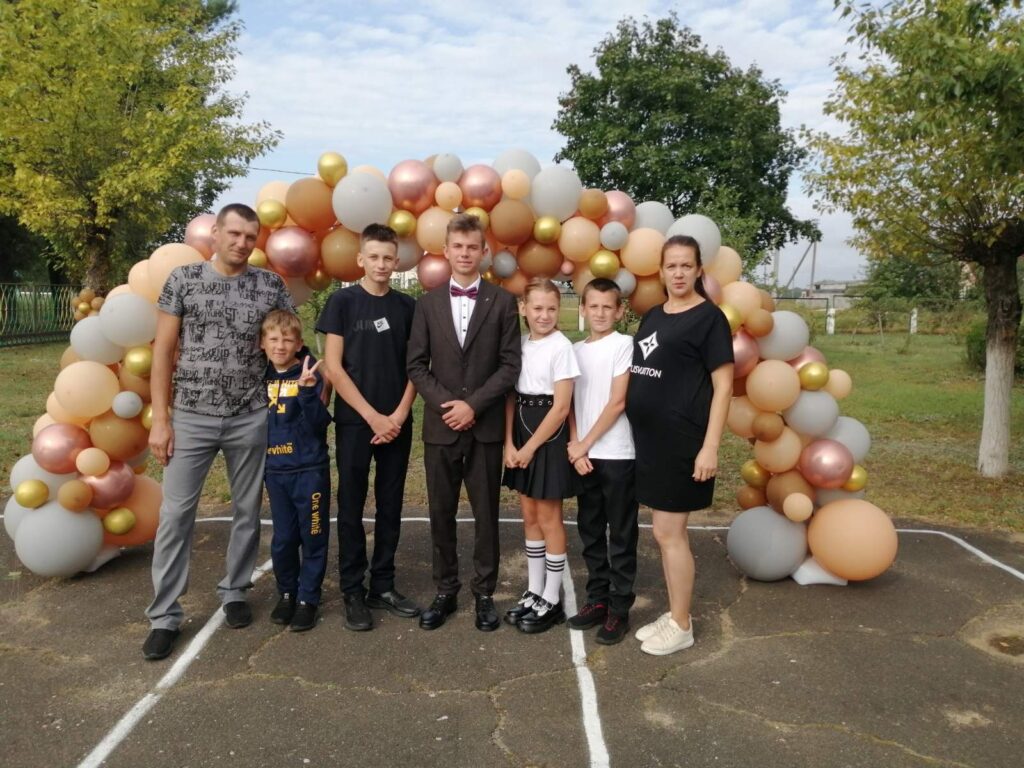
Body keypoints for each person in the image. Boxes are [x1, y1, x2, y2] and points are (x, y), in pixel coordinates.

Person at [143, 203, 294, 661]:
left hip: (250, 415)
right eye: (234, 234)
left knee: (246, 510)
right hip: (191, 416)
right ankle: (165, 615)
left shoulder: (270, 285)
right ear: (215, 233)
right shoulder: (184, 280)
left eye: (250, 236)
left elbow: (288, 341)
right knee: (176, 516)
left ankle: (235, 591)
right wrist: (161, 419)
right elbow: (163, 351)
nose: (242, 243)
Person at [406, 213, 521, 632]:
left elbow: (510, 366)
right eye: (458, 246)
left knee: (486, 515)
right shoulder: (427, 304)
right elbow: (416, 365)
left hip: (485, 427)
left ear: (484, 251)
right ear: (446, 250)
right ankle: (445, 589)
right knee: (441, 512)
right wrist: (448, 406)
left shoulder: (503, 302)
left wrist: (473, 406)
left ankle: (484, 593)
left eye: (473, 247)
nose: (465, 253)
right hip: (441, 429)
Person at [625, 234, 734, 656]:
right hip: (649, 442)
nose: (678, 273)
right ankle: (674, 614)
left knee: (670, 533)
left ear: (699, 270)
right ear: (661, 271)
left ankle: (683, 625)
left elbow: (723, 388)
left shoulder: (709, 319)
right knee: (663, 532)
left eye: (686, 265)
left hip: (682, 441)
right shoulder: (654, 315)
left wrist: (710, 447)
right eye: (671, 266)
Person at [317, 223, 420, 631]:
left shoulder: (407, 307)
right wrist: (372, 416)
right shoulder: (342, 302)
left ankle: (383, 585)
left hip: (397, 422)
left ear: (397, 262)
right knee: (351, 504)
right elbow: (333, 366)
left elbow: (417, 366)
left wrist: (398, 415)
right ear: (360, 259)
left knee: (390, 504)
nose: (381, 264)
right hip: (356, 422)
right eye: (373, 257)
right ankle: (352, 590)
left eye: (387, 258)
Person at [502, 278, 581, 634]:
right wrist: (509, 444)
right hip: (521, 431)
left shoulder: (561, 347)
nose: (544, 315)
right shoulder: (519, 344)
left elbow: (562, 406)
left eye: (551, 308)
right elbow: (511, 396)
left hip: (547, 435)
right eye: (537, 308)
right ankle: (534, 590)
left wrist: (530, 447)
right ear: (523, 308)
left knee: (549, 518)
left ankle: (552, 597)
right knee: (530, 514)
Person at [565, 277, 639, 645]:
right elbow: (568, 403)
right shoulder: (574, 350)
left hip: (617, 454)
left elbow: (617, 402)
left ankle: (619, 609)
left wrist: (586, 443)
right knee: (590, 530)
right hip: (584, 456)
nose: (599, 313)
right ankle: (597, 599)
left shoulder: (624, 345)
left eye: (607, 307)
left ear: (619, 311)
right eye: (593, 306)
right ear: (582, 309)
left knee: (621, 534)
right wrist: (575, 445)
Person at [261, 310, 332, 632]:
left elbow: (319, 424)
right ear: (262, 343)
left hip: (309, 471)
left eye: (287, 340)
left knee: (313, 536)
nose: (280, 346)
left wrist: (307, 391)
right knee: (284, 539)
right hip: (275, 472)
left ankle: (308, 599)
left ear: (299, 344)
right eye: (274, 339)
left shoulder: (309, 374)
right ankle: (287, 593)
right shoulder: (258, 377)